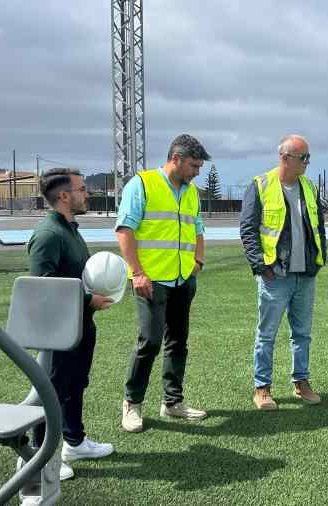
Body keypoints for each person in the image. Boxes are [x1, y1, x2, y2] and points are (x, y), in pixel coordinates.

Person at [116, 134, 211, 433]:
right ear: (176, 159)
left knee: (178, 342)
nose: (197, 172)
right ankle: (132, 403)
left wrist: (198, 262)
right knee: (150, 341)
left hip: (183, 279)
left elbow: (197, 229)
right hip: (151, 280)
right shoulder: (142, 184)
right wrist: (137, 273)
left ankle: (173, 401)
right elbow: (124, 230)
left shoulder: (191, 192)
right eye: (194, 166)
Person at [27, 168, 115, 480]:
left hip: (78, 326)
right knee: (50, 391)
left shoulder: (69, 229)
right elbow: (42, 286)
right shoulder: (48, 235)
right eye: (82, 189)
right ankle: (38, 456)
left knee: (75, 384)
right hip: (57, 331)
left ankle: (74, 442)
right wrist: (88, 300)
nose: (87, 194)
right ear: (64, 196)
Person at [240, 134, 326, 410]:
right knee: (267, 334)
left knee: (302, 334)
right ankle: (262, 388)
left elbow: (319, 227)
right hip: (275, 276)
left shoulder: (309, 187)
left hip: (305, 275)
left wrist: (318, 260)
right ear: (285, 158)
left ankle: (301, 382)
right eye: (304, 157)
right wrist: (260, 266)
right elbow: (248, 230)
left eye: (308, 156)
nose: (308, 162)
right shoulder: (260, 185)